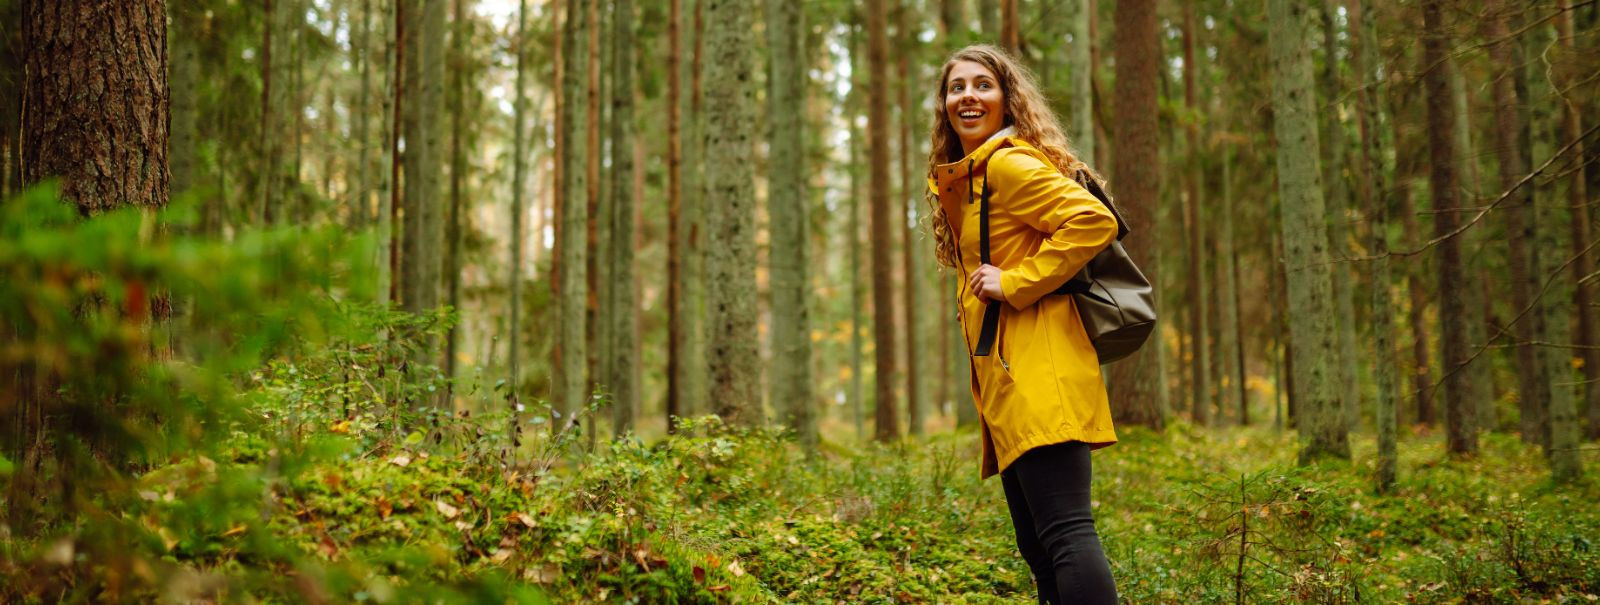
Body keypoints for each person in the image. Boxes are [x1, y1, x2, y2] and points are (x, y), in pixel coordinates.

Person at [925, 44, 1120, 604]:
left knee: (1065, 534)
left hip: (1041, 371)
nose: (968, 95)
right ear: (944, 105)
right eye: (956, 87)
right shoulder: (976, 177)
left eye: (982, 85)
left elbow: (1092, 220)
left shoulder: (1008, 163)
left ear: (1007, 100)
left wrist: (1014, 282)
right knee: (1040, 548)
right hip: (1012, 379)